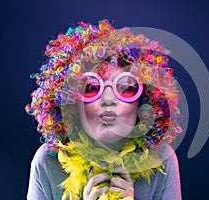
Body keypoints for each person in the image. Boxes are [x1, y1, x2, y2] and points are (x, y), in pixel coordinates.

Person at [26, 19, 183, 200]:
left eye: (125, 88)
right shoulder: (47, 162)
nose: (108, 100)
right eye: (92, 88)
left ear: (145, 102)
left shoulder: (162, 161)